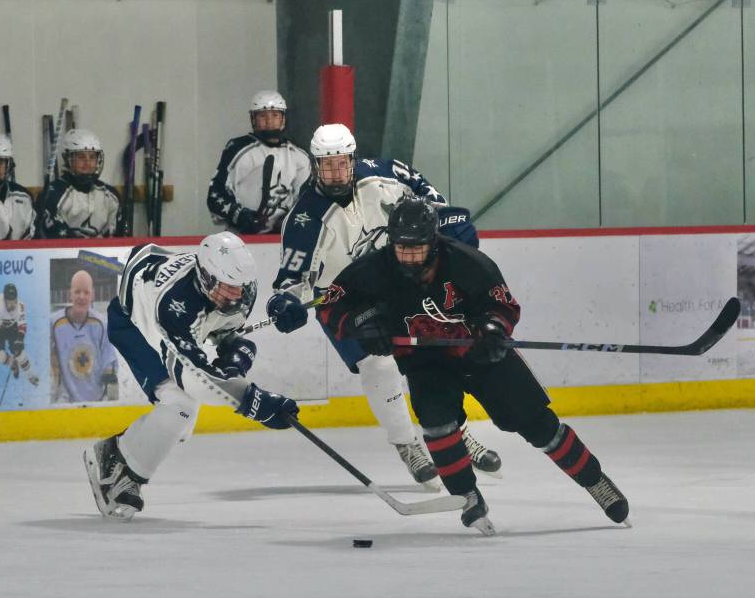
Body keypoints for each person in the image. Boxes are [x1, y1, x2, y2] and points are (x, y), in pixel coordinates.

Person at [317, 196, 630, 534]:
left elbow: (504, 305)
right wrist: (362, 323)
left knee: (537, 424)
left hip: (480, 354)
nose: (407, 257)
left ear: (433, 242)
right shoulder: (374, 268)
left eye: (416, 249)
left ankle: (594, 480)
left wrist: (494, 328)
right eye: (401, 248)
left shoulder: (467, 263)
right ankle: (466, 495)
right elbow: (330, 305)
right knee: (437, 423)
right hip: (424, 363)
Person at [265, 123, 496, 491]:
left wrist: (449, 223)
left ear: (352, 159)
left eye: (341, 163)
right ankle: (408, 445)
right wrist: (285, 304)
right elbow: (289, 282)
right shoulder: (304, 220)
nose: (336, 173)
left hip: (394, 284)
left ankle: (456, 433)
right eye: (327, 166)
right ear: (315, 166)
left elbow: (430, 201)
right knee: (378, 363)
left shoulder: (386, 174)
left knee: (431, 355)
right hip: (343, 299)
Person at [84, 232, 298, 521]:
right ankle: (114, 463)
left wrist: (234, 359)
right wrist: (251, 400)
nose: (236, 296)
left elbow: (223, 333)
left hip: (158, 298)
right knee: (180, 405)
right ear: (206, 279)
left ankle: (117, 454)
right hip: (135, 324)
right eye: (227, 288)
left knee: (181, 422)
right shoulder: (175, 306)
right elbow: (193, 377)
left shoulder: (237, 289)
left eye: (240, 288)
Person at [206, 90, 311, 234]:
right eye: (262, 115)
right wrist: (239, 215)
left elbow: (307, 200)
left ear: (283, 119)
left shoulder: (299, 156)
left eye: (275, 115)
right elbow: (215, 194)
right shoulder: (237, 149)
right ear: (253, 119)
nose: (269, 121)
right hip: (241, 238)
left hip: (284, 239)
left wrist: (292, 220)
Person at [50, 271, 118, 402]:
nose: (82, 296)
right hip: (66, 404)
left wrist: (111, 389)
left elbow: (109, 358)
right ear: (70, 294)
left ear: (92, 295)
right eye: (77, 292)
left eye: (86, 292)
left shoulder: (101, 324)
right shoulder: (54, 323)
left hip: (96, 402)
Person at [39, 129, 121, 238]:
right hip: (65, 254)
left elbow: (117, 239)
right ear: (68, 159)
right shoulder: (53, 194)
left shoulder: (111, 196)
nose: (87, 163)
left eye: (92, 157)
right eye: (81, 157)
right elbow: (55, 239)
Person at [0, 283, 39, 386]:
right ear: (4, 300)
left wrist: (20, 339)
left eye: (14, 301)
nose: (13, 305)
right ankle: (12, 363)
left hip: (13, 328)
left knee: (19, 352)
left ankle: (31, 376)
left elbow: (22, 325)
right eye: (9, 302)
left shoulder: (21, 306)